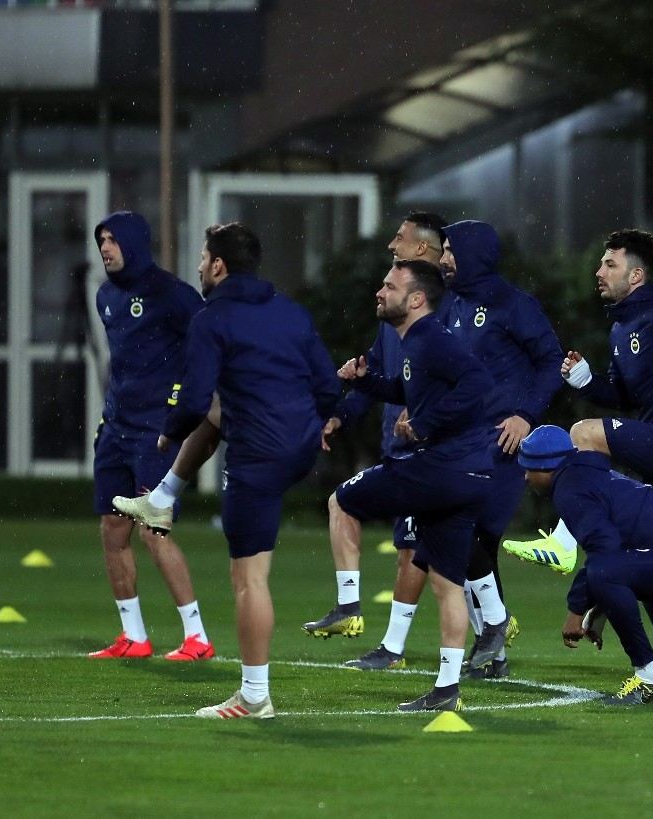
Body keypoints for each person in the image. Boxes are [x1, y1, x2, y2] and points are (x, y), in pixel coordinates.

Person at [503, 228, 653, 690]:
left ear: (636, 275)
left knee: (582, 433)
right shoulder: (622, 328)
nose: (598, 271)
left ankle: (563, 541)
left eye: (609, 264)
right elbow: (622, 396)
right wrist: (586, 381)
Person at [116, 222, 340, 718]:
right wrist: (328, 421)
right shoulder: (290, 311)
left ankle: (254, 696)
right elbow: (327, 386)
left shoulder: (212, 317)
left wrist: (168, 431)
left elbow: (193, 398)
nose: (198, 266)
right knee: (222, 411)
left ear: (218, 265)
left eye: (202, 258)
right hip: (299, 445)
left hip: (259, 455)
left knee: (249, 579)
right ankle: (163, 497)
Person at [329, 258, 494, 712]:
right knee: (446, 584)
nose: (380, 292)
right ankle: (446, 689)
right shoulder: (417, 345)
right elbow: (409, 391)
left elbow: (478, 381)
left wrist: (425, 423)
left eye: (390, 285)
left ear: (416, 299)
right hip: (469, 475)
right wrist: (370, 383)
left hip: (440, 470)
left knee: (341, 502)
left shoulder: (430, 339)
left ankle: (347, 607)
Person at [305, 212, 447, 671]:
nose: (391, 244)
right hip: (404, 449)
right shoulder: (395, 317)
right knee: (441, 555)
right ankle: (490, 633)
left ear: (422, 250)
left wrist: (424, 411)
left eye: (400, 239)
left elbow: (464, 381)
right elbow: (378, 374)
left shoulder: (442, 314)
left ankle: (393, 645)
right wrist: (342, 414)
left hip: (431, 453)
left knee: (432, 554)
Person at [517, 425, 653, 704]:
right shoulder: (584, 474)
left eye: (528, 468)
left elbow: (604, 554)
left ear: (546, 467)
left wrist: (576, 609)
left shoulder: (571, 488)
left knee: (603, 571)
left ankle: (648, 675)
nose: (525, 476)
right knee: (636, 569)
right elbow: (622, 555)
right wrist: (599, 605)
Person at [438, 220, 564, 678]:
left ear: (473, 255)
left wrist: (526, 414)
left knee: (468, 534)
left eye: (451, 251)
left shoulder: (514, 305)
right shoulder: (452, 305)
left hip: (502, 444)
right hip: (460, 440)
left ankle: (493, 629)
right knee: (473, 544)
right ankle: (495, 650)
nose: (444, 259)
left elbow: (552, 361)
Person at [89, 211, 214, 662]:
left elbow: (207, 342)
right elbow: (124, 365)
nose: (106, 248)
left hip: (156, 433)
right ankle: (134, 636)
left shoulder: (173, 294)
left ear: (135, 243)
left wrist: (182, 403)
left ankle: (196, 637)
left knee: (153, 531)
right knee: (111, 529)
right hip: (116, 430)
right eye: (101, 239)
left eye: (113, 240)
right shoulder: (105, 296)